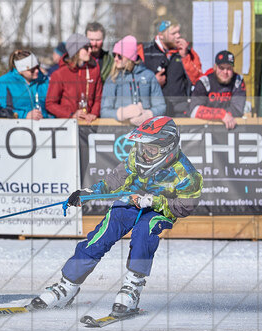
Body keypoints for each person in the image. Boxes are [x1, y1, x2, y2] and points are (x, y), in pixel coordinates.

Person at [29, 116, 202, 317]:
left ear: (167, 148)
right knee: (102, 235)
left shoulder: (186, 174)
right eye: (143, 147)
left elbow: (185, 206)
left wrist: (154, 201)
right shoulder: (137, 156)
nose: (145, 153)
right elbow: (115, 180)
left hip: (160, 210)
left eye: (151, 149)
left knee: (144, 232)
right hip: (131, 200)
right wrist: (88, 193)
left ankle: (132, 288)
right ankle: (67, 286)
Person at [100, 35, 165, 125]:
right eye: (114, 55)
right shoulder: (113, 78)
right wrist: (122, 113)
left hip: (145, 129)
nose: (115, 59)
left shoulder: (148, 76)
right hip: (120, 130)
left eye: (119, 56)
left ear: (130, 57)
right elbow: (104, 111)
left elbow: (161, 106)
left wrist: (148, 115)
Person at [46, 33, 102, 121]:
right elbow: (50, 104)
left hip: (90, 123)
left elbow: (98, 98)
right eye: (86, 48)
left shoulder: (94, 70)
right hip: (68, 124)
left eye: (90, 47)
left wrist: (94, 113)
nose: (90, 50)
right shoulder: (59, 74)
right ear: (76, 51)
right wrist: (71, 115)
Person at [142, 19, 190, 116]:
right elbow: (135, 82)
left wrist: (185, 57)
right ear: (161, 35)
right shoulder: (146, 53)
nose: (178, 36)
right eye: (173, 33)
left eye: (179, 32)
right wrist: (153, 82)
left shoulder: (185, 51)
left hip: (180, 110)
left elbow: (195, 79)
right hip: (155, 110)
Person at [189, 50, 246, 129]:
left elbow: (238, 110)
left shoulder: (238, 81)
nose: (225, 72)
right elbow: (194, 111)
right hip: (204, 128)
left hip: (230, 127)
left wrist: (220, 115)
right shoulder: (204, 81)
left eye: (229, 68)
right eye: (221, 68)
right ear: (215, 67)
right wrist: (221, 114)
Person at [0, 49, 49, 119]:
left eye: (37, 67)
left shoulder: (43, 79)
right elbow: (2, 110)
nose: (37, 71)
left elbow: (52, 104)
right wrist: (24, 115)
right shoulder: (4, 82)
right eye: (32, 70)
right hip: (18, 123)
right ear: (20, 71)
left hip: (46, 122)